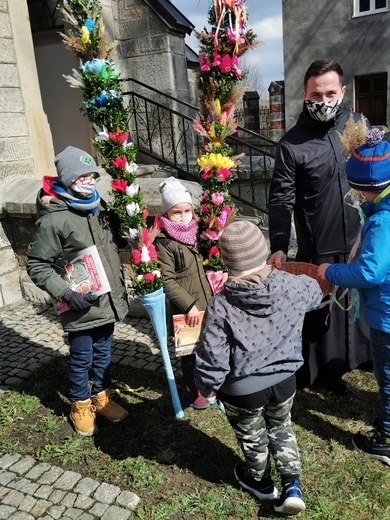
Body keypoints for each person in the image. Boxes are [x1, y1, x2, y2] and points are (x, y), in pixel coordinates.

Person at [194, 221, 322, 515]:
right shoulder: (293, 285)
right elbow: (315, 291)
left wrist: (206, 387)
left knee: (253, 436)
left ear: (225, 260)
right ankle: (292, 485)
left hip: (243, 389)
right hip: (285, 380)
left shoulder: (221, 304)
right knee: (281, 426)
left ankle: (261, 483)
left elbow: (212, 354)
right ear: (264, 252)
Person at [268, 59, 371, 395]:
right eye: (316, 93)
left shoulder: (357, 127)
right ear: (304, 94)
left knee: (360, 300)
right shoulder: (291, 144)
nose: (324, 100)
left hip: (359, 236)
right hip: (320, 242)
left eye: (330, 92)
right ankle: (327, 373)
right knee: (324, 312)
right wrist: (279, 245)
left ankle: (365, 355)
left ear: (342, 91)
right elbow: (281, 199)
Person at [27, 146, 129, 436]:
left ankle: (101, 396)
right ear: (69, 178)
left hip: (106, 302)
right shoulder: (54, 219)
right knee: (82, 357)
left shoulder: (100, 206)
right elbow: (37, 264)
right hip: (79, 305)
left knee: (104, 354)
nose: (89, 181)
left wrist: (125, 231)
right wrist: (66, 293)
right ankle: (79, 404)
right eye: (82, 176)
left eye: (93, 175)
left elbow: (112, 246)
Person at [318, 129, 390, 466]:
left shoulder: (382, 222)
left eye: (358, 192)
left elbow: (369, 272)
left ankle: (386, 438)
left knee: (387, 376)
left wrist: (330, 273)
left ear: (370, 189)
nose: (356, 198)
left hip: (386, 317)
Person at [154, 177, 214, 409]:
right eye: (176, 212)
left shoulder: (199, 233)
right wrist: (188, 304)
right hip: (186, 308)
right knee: (190, 353)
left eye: (187, 210)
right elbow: (167, 280)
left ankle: (210, 382)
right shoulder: (164, 242)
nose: (183, 216)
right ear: (167, 213)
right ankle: (193, 388)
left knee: (209, 346)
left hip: (207, 299)